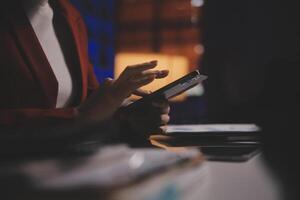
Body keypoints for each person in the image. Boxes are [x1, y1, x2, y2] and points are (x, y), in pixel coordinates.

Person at [0, 0, 170, 155]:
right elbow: (85, 114)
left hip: (72, 167)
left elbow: (89, 103)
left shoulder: (70, 16)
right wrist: (79, 116)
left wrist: (130, 117)